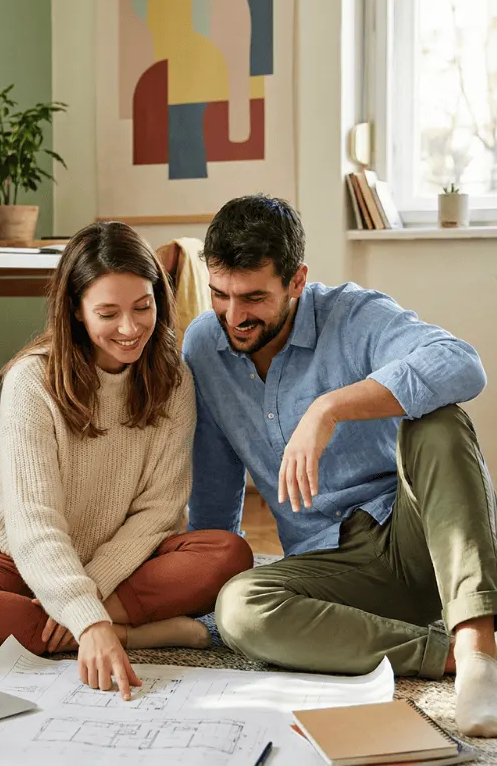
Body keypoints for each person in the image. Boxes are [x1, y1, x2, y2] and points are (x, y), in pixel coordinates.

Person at [183, 194, 497, 737]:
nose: (234, 317)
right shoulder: (204, 346)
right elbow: (214, 496)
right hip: (331, 568)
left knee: (438, 421)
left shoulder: (353, 314)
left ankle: (479, 650)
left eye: (254, 297)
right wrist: (199, 598)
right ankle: (445, 657)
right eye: (220, 294)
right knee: (239, 610)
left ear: (296, 280)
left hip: (419, 538)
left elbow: (460, 363)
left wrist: (329, 408)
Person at [0, 221, 253, 701]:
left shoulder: (173, 380)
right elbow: (34, 524)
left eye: (143, 307)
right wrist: (88, 619)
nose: (130, 329)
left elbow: (159, 511)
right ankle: (124, 631)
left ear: (159, 299)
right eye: (108, 312)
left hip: (121, 560)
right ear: (76, 310)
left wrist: (83, 598)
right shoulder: (32, 381)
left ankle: (75, 630)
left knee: (228, 554)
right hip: (15, 558)